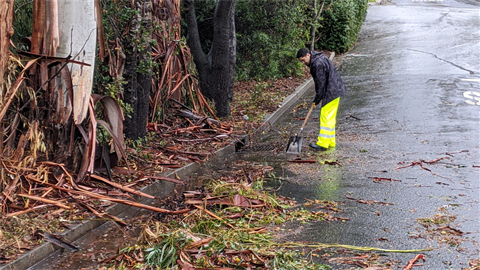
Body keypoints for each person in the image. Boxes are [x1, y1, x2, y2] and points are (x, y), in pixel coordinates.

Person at [296, 48, 346, 151]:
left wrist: (317, 99)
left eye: (303, 60)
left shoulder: (317, 64)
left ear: (308, 55)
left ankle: (323, 143)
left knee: (325, 117)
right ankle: (330, 141)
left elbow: (320, 84)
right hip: (335, 89)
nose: (303, 63)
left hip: (331, 91)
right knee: (330, 117)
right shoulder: (318, 58)